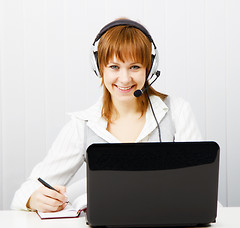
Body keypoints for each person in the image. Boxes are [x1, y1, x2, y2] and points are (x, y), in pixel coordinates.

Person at [11, 18, 201, 212]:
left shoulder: (177, 111)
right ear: (99, 68)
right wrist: (33, 199)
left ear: (149, 68)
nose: (125, 79)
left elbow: (200, 185)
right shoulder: (83, 125)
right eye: (114, 67)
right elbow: (24, 193)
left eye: (135, 67)